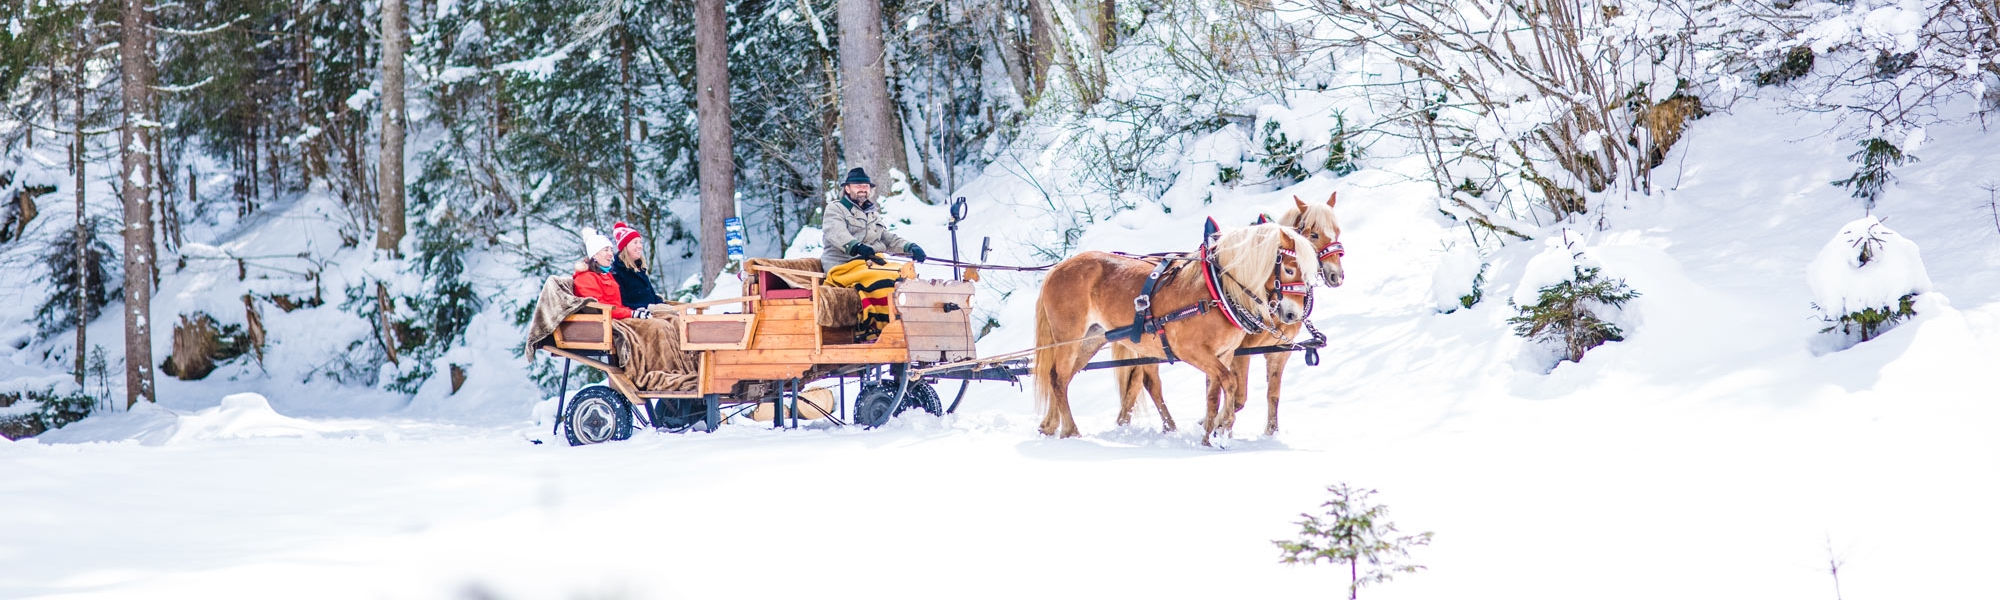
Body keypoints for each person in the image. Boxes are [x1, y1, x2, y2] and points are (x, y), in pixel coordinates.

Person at [821, 167, 926, 341]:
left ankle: (907, 324)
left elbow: (887, 238)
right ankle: (881, 328)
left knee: (902, 275)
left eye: (866, 186)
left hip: (870, 263)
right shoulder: (836, 209)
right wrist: (857, 247)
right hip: (844, 265)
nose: (863, 189)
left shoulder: (871, 213)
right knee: (882, 280)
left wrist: (910, 247)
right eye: (858, 185)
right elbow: (837, 233)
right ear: (847, 188)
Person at [573, 227, 648, 320]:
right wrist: (632, 314)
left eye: (611, 250)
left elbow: (617, 305)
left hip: (617, 318)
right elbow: (600, 307)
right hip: (606, 323)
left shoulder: (606, 275)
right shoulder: (585, 278)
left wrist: (634, 311)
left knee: (659, 323)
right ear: (595, 254)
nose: (611, 254)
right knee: (656, 327)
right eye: (606, 250)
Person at [608, 222, 666, 309]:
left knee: (679, 318)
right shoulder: (617, 271)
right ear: (625, 247)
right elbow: (623, 304)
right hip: (636, 316)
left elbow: (652, 296)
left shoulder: (640, 268)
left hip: (652, 313)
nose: (640, 246)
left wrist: (662, 305)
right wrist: (649, 308)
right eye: (635, 242)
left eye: (640, 242)